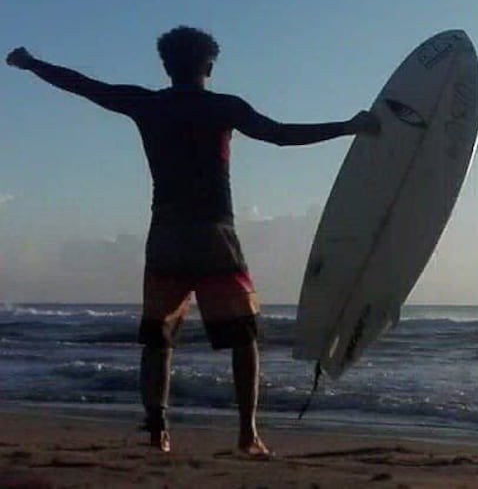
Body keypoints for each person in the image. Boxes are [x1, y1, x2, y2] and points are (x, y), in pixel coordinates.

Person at [5, 26, 380, 457]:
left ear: (166, 65)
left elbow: (84, 85)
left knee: (158, 338)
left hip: (165, 235)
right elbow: (280, 134)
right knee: (243, 338)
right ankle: (247, 435)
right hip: (214, 233)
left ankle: (156, 432)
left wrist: (31, 63)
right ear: (210, 65)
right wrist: (348, 126)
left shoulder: (147, 103)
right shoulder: (223, 107)